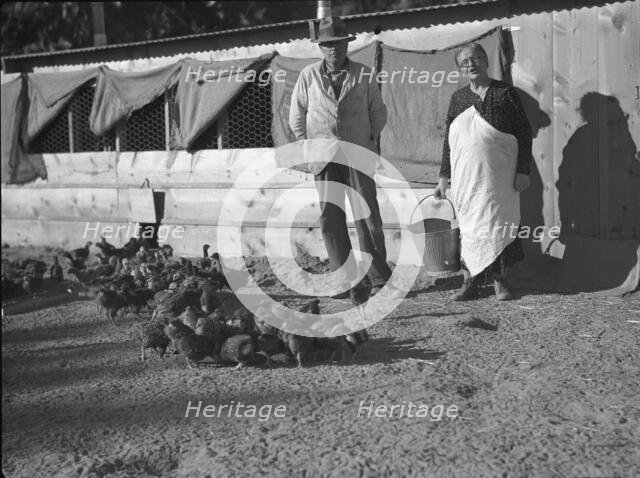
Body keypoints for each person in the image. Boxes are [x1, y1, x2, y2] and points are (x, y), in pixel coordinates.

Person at [289, 16, 401, 299]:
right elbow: (296, 116)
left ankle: (377, 277)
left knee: (367, 215)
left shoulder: (363, 73)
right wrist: (311, 145)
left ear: (346, 45)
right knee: (331, 216)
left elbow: (379, 112)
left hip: (357, 154)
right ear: (320, 48)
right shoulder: (308, 75)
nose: (333, 50)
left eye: (337, 44)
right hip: (324, 158)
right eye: (327, 45)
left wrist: (368, 140)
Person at [435, 43, 532, 301]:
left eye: (476, 59)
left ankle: (501, 281)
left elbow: (523, 132)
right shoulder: (459, 98)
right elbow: (450, 140)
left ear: (486, 61)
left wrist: (523, 170)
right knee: (470, 226)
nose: (471, 64)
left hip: (500, 176)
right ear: (460, 69)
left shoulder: (505, 93)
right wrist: (444, 177)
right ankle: (470, 282)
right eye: (465, 61)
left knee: (498, 223)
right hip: (468, 178)